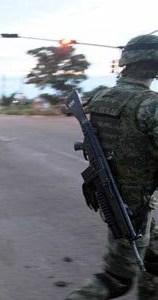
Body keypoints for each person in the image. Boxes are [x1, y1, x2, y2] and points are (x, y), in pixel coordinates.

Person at [66, 34, 158, 300]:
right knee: (117, 280)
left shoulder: (102, 97)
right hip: (132, 206)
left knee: (153, 258)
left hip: (112, 192)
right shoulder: (150, 104)